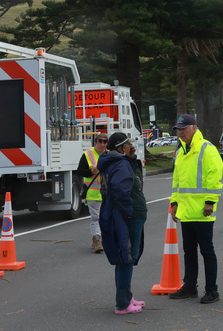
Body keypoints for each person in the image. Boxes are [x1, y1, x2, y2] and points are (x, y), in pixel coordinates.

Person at [167, 114, 223, 304]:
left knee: (207, 251)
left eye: (183, 128)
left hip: (202, 211)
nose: (180, 132)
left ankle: (212, 290)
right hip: (186, 211)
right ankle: (190, 286)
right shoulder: (181, 151)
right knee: (189, 251)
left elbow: (214, 175)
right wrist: (174, 203)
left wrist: (210, 201)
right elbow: (177, 181)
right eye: (178, 129)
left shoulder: (207, 148)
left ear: (194, 128)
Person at [98, 132, 148, 315]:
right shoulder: (120, 165)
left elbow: (131, 181)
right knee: (127, 258)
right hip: (128, 217)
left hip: (123, 215)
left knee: (123, 257)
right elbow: (120, 190)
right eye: (128, 145)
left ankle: (126, 296)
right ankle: (122, 303)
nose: (131, 147)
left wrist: (132, 159)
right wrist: (129, 213)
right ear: (122, 148)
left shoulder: (117, 163)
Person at [81, 133, 108, 252]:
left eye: (104, 141)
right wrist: (91, 171)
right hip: (92, 193)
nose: (102, 144)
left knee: (106, 218)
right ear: (95, 142)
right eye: (100, 141)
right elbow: (80, 171)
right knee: (96, 218)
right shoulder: (87, 155)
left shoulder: (109, 155)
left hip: (107, 193)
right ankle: (97, 240)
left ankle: (102, 239)